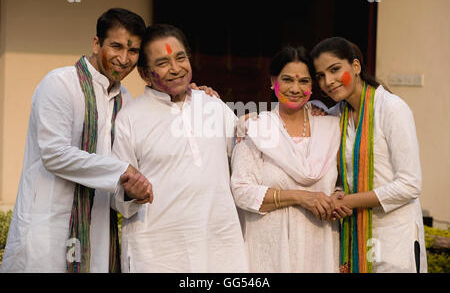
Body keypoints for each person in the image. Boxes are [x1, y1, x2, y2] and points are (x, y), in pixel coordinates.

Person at [0, 8, 156, 273]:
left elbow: (122, 170)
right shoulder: (60, 84)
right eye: (116, 46)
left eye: (133, 51)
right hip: (48, 229)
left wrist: (133, 193)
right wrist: (122, 171)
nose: (123, 58)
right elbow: (55, 155)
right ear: (96, 43)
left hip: (97, 232)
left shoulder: (125, 99)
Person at [111, 23, 248, 273]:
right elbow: (117, 197)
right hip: (158, 254)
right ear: (144, 73)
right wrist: (132, 193)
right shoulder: (130, 118)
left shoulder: (213, 106)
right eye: (162, 63)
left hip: (218, 246)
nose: (176, 69)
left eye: (181, 58)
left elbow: (249, 156)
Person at [230, 46, 352, 272]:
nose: (295, 89)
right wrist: (300, 197)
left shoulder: (331, 126)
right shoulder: (256, 128)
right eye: (287, 80)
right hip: (270, 249)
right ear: (273, 81)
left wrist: (337, 197)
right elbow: (242, 191)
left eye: (304, 81)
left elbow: (341, 182)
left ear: (312, 86)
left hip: (320, 244)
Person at [310, 37, 427, 273]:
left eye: (334, 70)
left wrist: (350, 201)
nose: (328, 82)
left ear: (355, 67)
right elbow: (343, 175)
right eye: (321, 75)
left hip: (395, 238)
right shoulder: (335, 116)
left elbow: (410, 184)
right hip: (354, 238)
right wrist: (339, 191)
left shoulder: (392, 109)